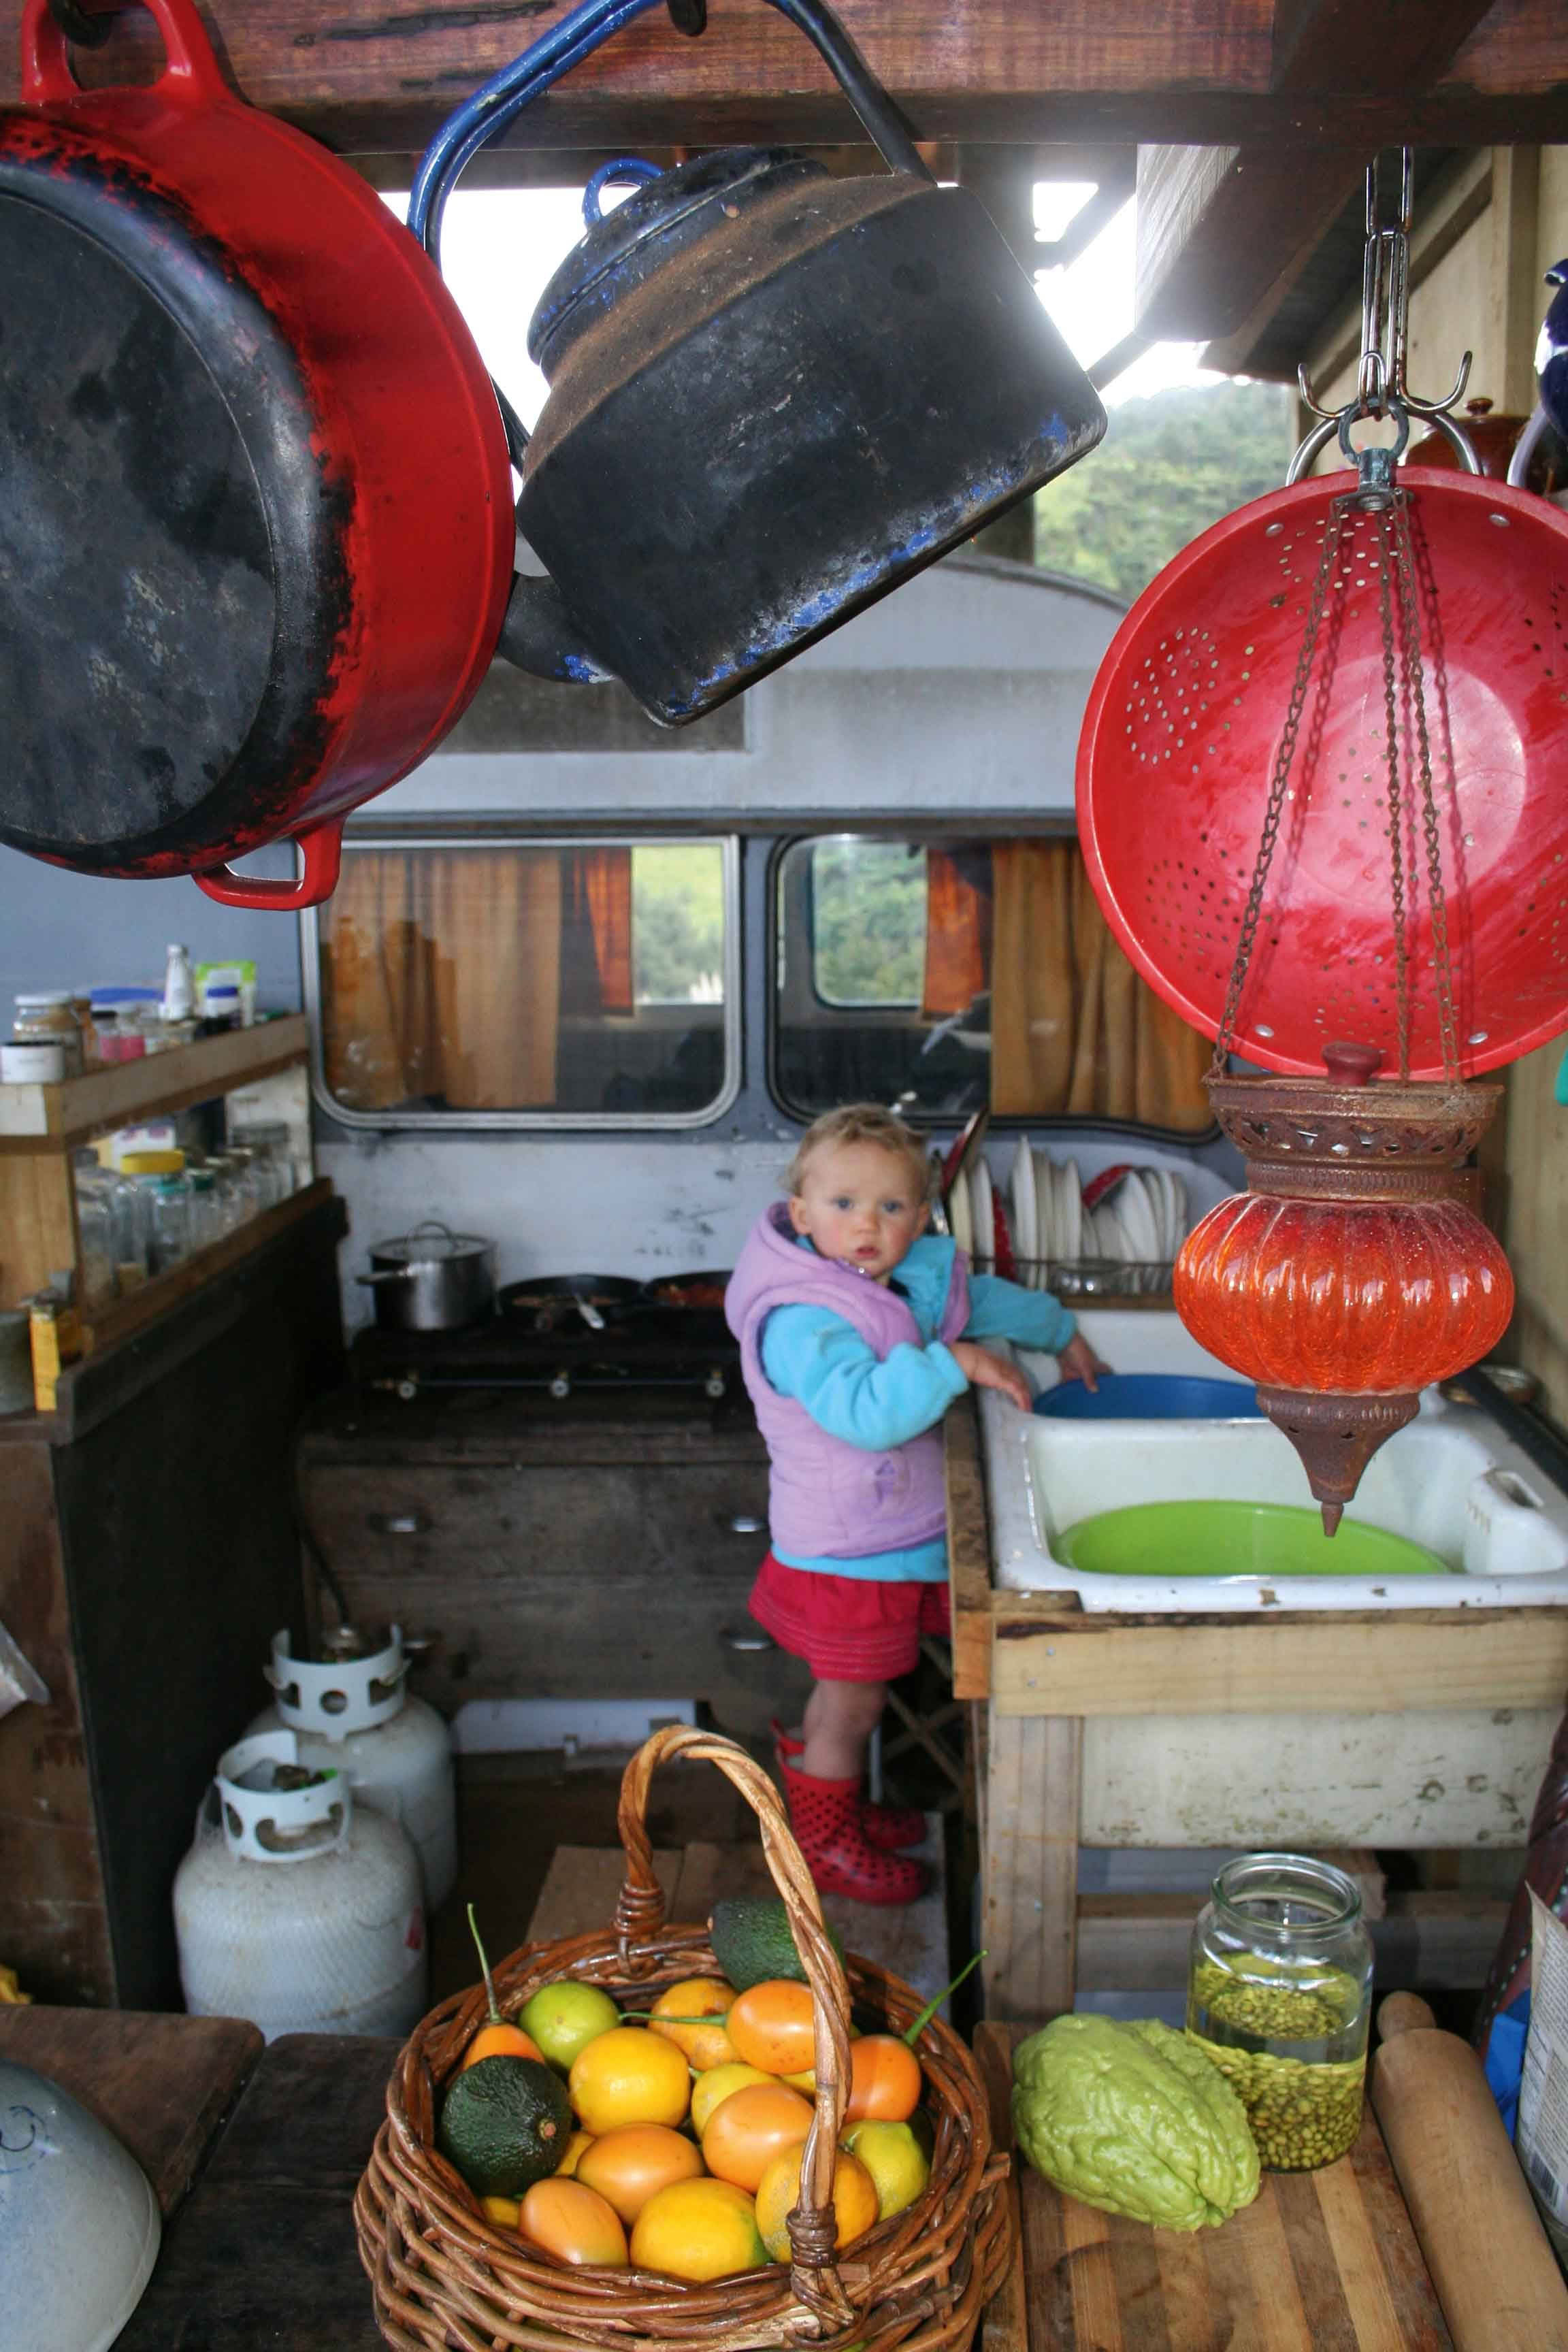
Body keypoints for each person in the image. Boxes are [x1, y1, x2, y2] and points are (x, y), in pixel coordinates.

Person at [725, 1103, 1106, 1904]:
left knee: (863, 1698)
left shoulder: (901, 1277)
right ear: (800, 1215)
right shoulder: (800, 1317)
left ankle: (844, 1811)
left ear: (922, 1215)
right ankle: (823, 1843)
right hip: (845, 1549)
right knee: (850, 1705)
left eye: (892, 1207)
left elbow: (982, 1301)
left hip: (887, 1537)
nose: (868, 1223)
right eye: (843, 1205)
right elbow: (865, 1415)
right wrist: (954, 1364)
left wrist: (1061, 1331)